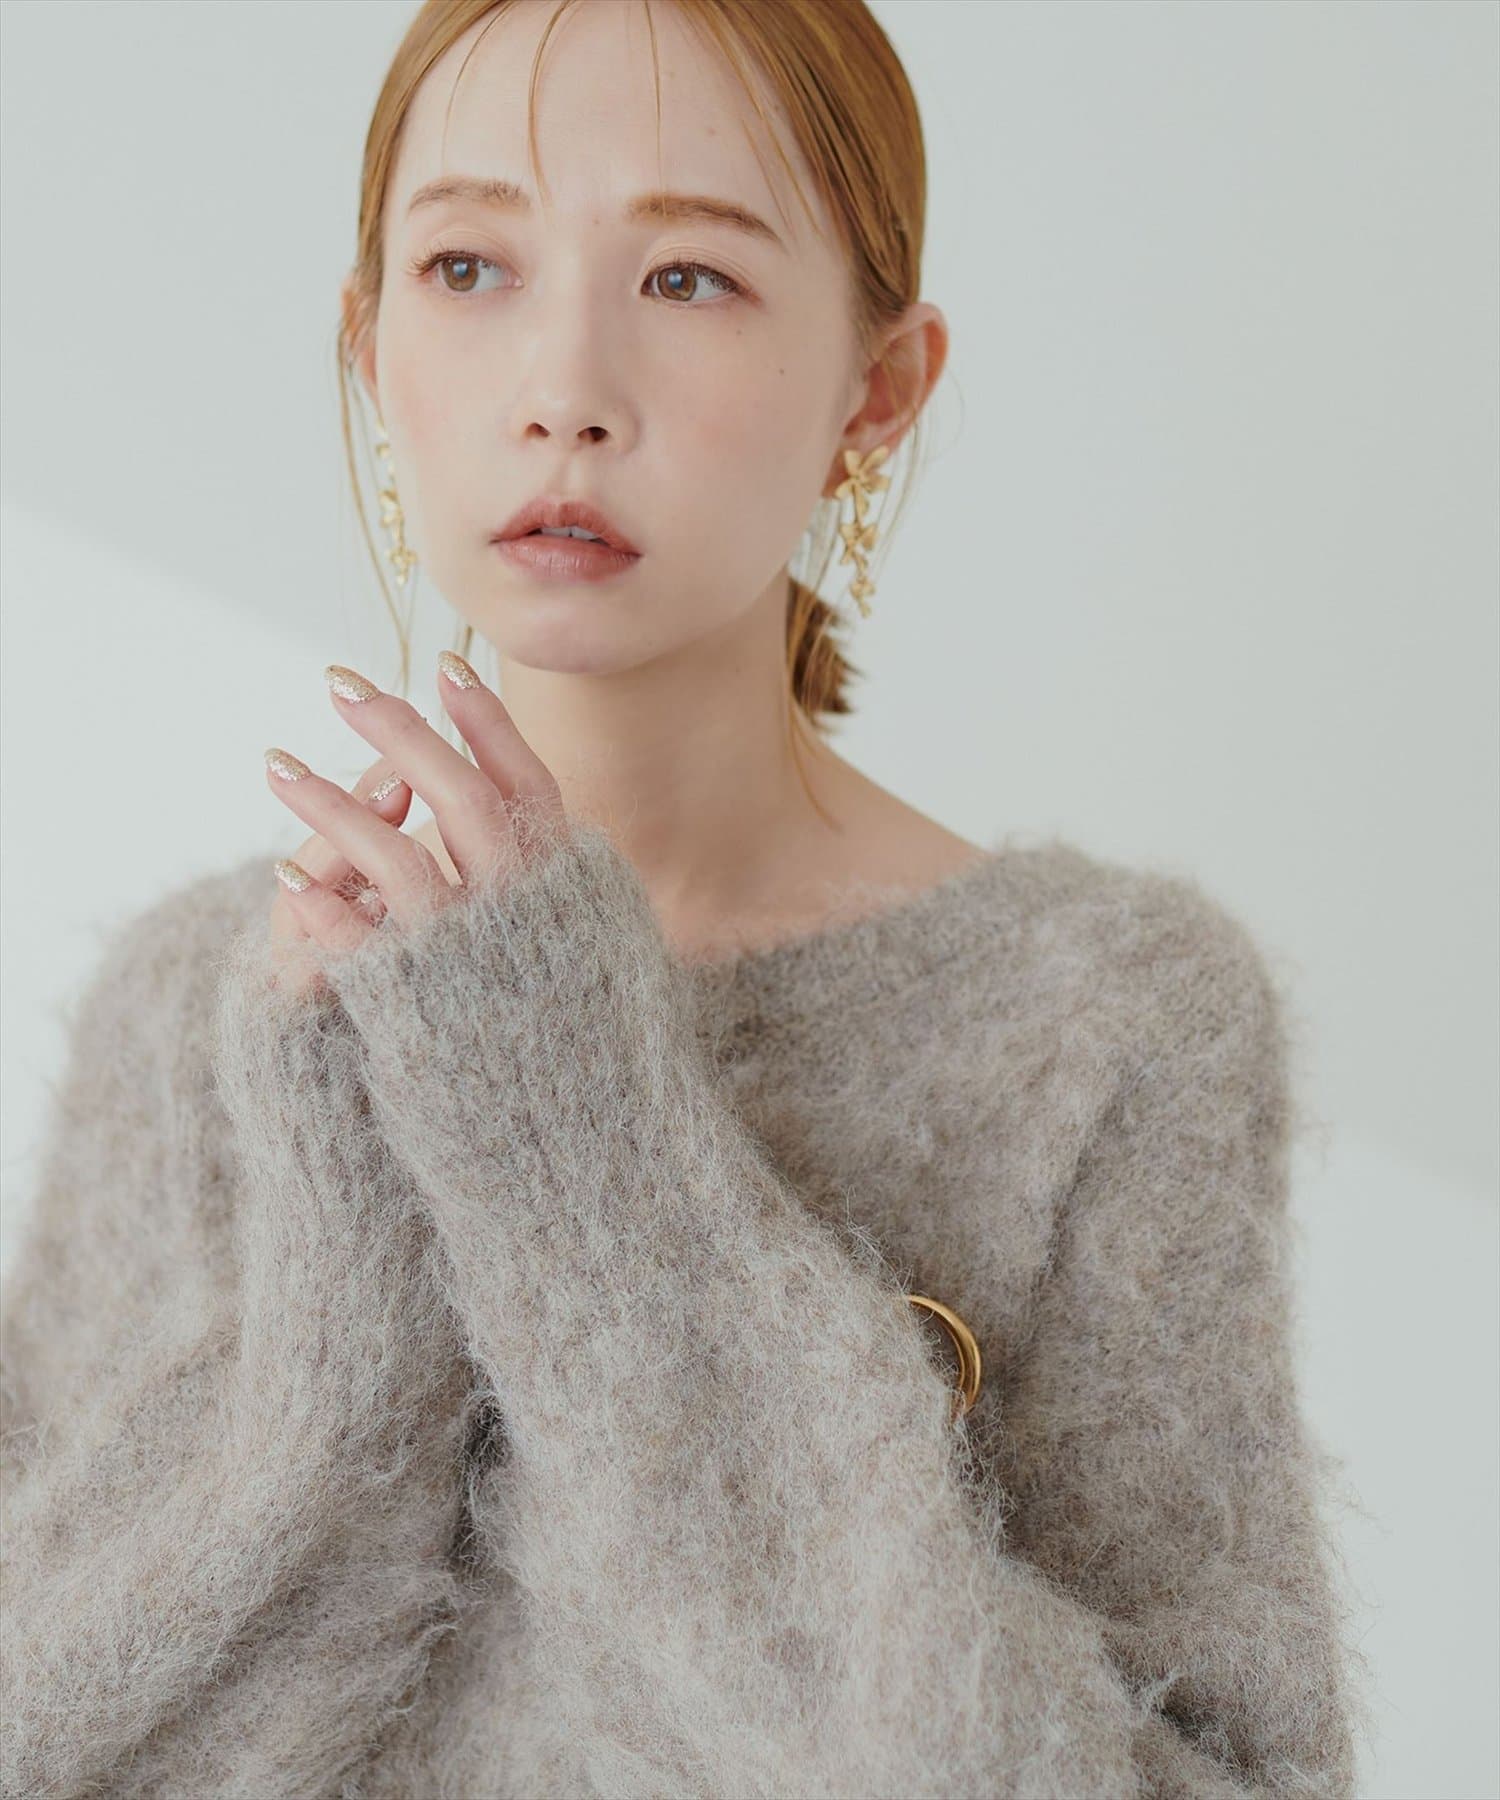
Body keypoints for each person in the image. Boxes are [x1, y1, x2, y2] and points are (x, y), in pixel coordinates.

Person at [0, 1, 1373, 1795]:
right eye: (469, 266)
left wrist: (588, 1155)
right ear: (369, 344)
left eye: (689, 278)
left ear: (878, 391)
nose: (564, 388)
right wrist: (337, 1338)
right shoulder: (206, 1001)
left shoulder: (1100, 1021)